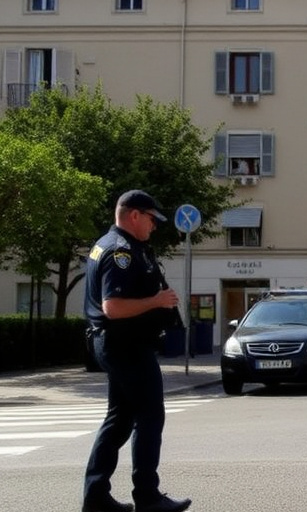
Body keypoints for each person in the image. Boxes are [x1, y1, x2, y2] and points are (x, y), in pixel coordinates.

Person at [82, 190, 192, 512]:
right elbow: (112, 307)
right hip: (125, 344)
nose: (154, 226)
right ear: (134, 216)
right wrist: (157, 301)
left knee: (118, 420)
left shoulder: (110, 244)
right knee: (149, 416)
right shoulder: (121, 252)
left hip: (118, 344)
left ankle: (96, 496)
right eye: (151, 219)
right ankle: (147, 496)